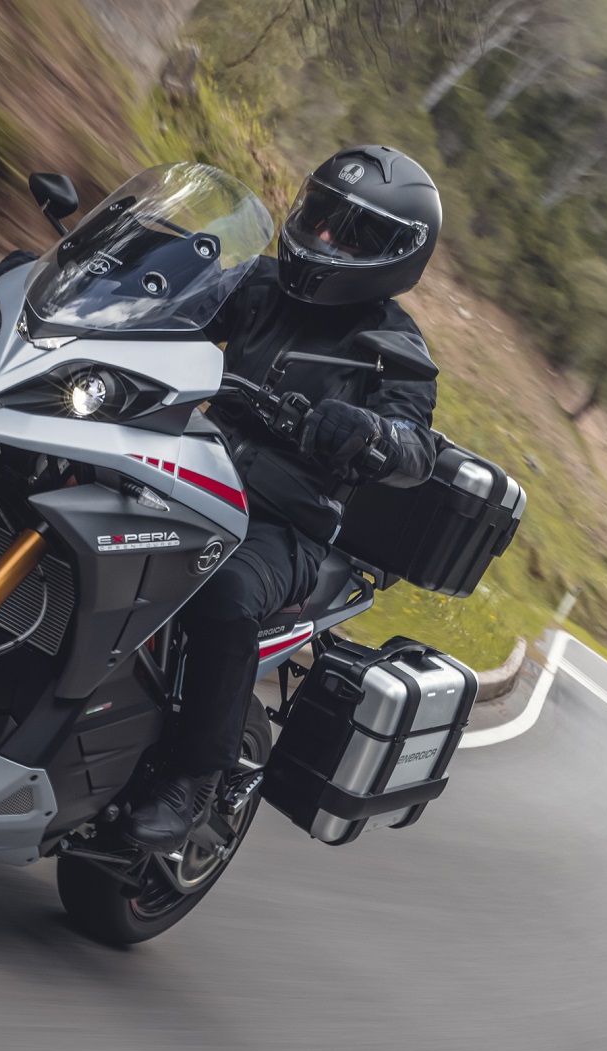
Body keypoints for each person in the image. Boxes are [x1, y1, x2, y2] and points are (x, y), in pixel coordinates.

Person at [125, 144, 446, 852]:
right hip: (190, 467)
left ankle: (195, 778)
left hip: (282, 525)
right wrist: (103, 292)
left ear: (395, 256)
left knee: (223, 592)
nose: (326, 239)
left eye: (352, 233)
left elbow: (415, 446)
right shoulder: (256, 283)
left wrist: (369, 433)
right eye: (323, 217)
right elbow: (171, 306)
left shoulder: (394, 347)